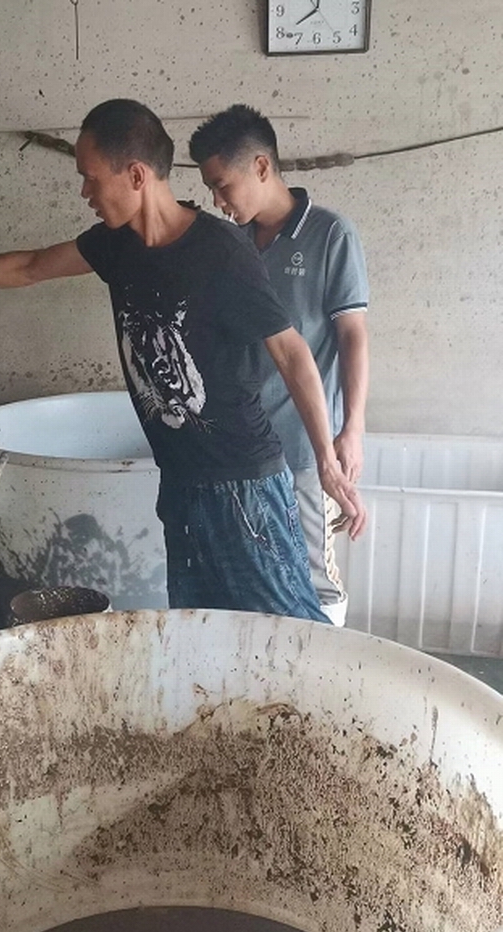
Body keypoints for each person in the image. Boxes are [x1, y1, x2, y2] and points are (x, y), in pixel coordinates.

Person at [0, 98, 366, 622]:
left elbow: (292, 352)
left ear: (136, 175)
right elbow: (31, 266)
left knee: (285, 632)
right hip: (180, 484)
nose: (85, 192)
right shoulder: (116, 245)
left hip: (243, 485)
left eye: (91, 178)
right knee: (198, 630)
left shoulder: (222, 251)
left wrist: (327, 458)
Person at [189, 105, 369, 626]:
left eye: (223, 186)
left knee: (315, 578)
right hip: (245, 447)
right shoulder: (230, 243)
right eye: (210, 189)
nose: (218, 201)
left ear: (262, 166)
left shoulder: (330, 234)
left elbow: (353, 335)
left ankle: (325, 668)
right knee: (257, 572)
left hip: (307, 447)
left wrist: (352, 428)